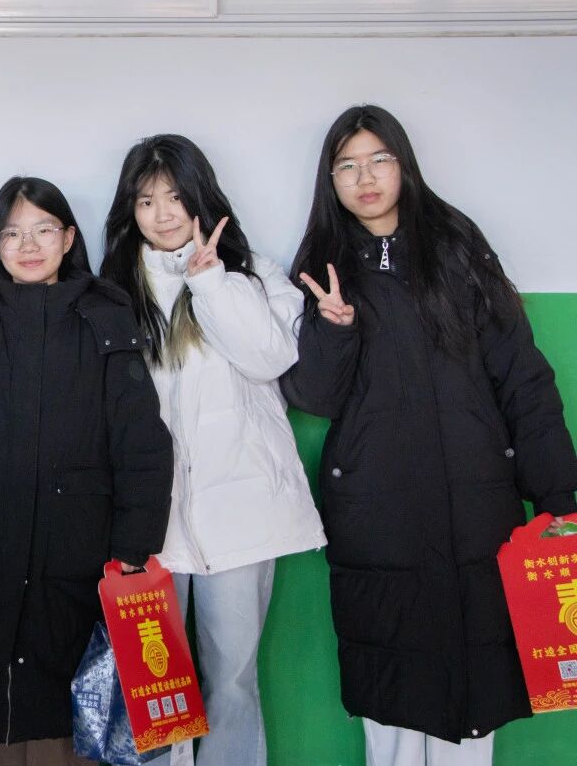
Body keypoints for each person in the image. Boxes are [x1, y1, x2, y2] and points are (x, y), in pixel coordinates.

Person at [280, 104, 577, 766]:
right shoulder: (322, 265)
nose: (365, 178)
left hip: (477, 501)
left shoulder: (458, 247)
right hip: (374, 509)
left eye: (378, 159)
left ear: (404, 165)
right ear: (330, 179)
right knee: (391, 689)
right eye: (347, 165)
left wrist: (559, 495)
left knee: (475, 684)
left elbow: (522, 376)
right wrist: (334, 327)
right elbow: (315, 398)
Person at [0, 176, 174, 766]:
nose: (28, 246)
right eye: (12, 233)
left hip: (79, 545)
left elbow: (141, 442)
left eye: (43, 230)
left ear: (69, 238)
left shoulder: (106, 313)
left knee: (71, 711)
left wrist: (134, 546)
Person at [99, 135, 325, 766]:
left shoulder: (255, 274)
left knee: (232, 682)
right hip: (149, 519)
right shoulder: (113, 290)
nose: (162, 213)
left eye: (174, 196)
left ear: (201, 197)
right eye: (146, 200)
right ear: (130, 210)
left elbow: (271, 359)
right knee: (155, 685)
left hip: (242, 513)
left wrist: (212, 282)